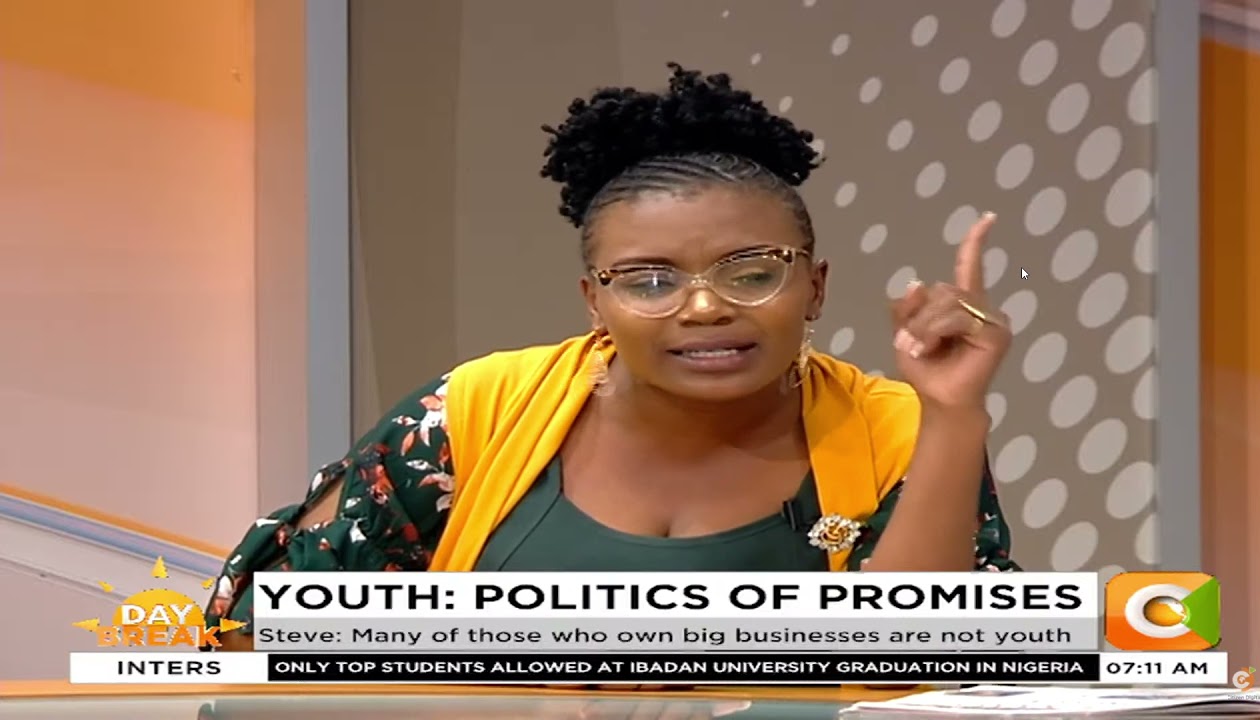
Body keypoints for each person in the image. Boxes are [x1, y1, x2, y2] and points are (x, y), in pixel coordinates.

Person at [205, 64, 1020, 656]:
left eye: (751, 272)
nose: (704, 307)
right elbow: (258, 634)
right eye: (649, 280)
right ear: (594, 301)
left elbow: (922, 668)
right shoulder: (476, 412)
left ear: (815, 287)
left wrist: (954, 415)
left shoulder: (898, 430)